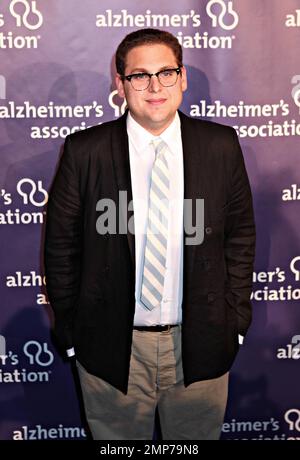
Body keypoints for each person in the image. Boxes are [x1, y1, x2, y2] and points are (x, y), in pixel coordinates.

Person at [44, 28, 256, 440]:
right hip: (110, 349)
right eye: (139, 75)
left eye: (166, 72)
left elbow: (240, 237)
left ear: (184, 78)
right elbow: (61, 248)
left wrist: (236, 322)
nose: (155, 86)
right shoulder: (84, 151)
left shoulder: (221, 144)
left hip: (200, 343)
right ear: (120, 84)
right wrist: (73, 333)